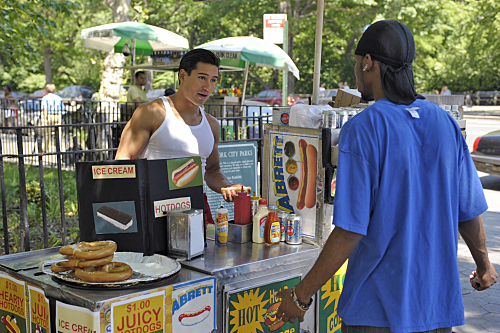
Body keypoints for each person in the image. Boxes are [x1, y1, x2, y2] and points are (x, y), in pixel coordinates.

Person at [275, 19, 497, 333]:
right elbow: (468, 212)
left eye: (356, 64)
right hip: (436, 306)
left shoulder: (364, 128)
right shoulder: (444, 123)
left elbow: (351, 229)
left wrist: (301, 295)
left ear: (368, 63)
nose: (355, 73)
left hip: (376, 309)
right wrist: (484, 265)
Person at [115, 49, 244, 223]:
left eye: (213, 80)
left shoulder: (211, 124)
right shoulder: (152, 112)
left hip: (198, 207)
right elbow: (123, 160)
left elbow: (212, 170)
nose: (208, 87)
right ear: (182, 76)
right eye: (202, 78)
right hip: (157, 207)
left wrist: (227, 186)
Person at [41, 83, 64, 152]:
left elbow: (45, 109)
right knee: (58, 132)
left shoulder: (45, 98)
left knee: (47, 133)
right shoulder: (59, 98)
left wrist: (45, 119)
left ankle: (45, 148)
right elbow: (62, 108)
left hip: (49, 115)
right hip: (58, 115)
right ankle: (59, 148)